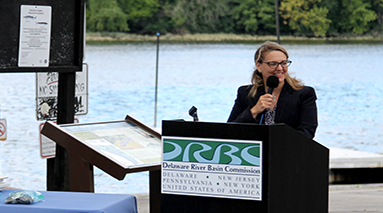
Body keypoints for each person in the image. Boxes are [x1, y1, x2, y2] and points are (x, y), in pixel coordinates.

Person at [227, 41, 318, 139]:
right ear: (259, 66)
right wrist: (254, 111)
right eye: (273, 64)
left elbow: (307, 132)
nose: (279, 68)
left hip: (287, 151)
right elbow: (229, 130)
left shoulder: (304, 94)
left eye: (283, 63)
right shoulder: (245, 93)